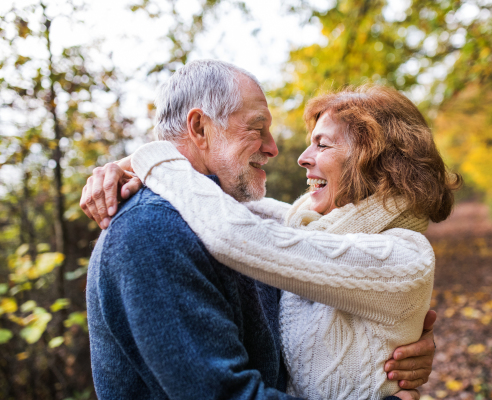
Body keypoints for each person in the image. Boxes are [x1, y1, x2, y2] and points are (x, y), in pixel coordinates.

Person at [83, 60, 439, 400]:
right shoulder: (153, 229)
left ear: (373, 161)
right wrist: (142, 162)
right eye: (257, 128)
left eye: (323, 144)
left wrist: (386, 351)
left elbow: (250, 235)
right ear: (199, 128)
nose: (277, 149)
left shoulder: (250, 227)